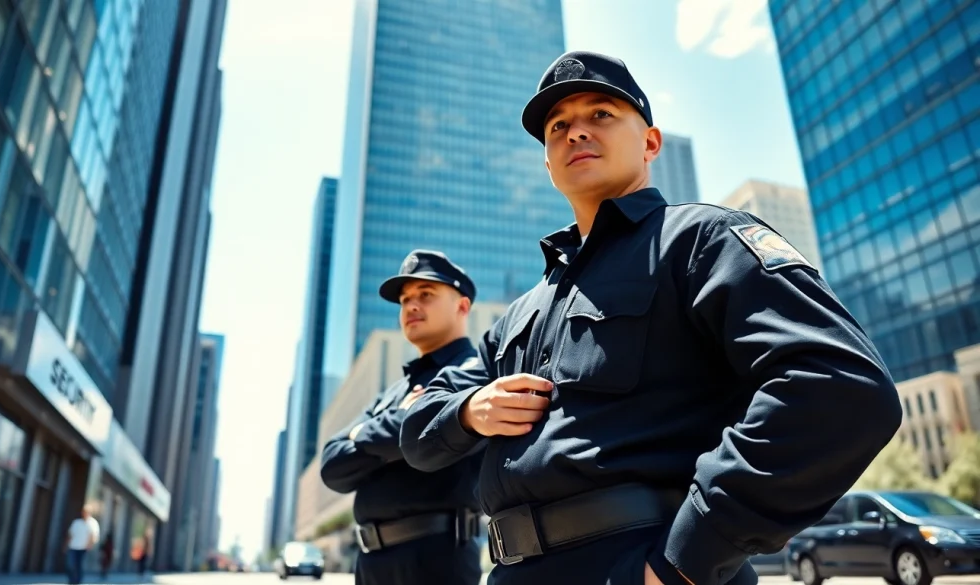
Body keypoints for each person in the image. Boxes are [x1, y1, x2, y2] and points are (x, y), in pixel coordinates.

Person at [399, 50, 903, 585]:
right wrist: (470, 410)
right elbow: (417, 433)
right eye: (558, 126)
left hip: (643, 564)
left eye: (601, 115)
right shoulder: (523, 312)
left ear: (650, 143)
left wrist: (687, 557)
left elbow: (840, 386)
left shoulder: (702, 242)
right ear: (547, 162)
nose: (575, 133)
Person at [320, 250, 485, 585]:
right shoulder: (396, 391)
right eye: (405, 298)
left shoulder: (473, 370)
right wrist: (394, 424)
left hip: (435, 558)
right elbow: (332, 466)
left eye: (426, 294)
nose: (411, 305)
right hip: (371, 563)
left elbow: (416, 428)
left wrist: (363, 435)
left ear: (462, 306)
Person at [65, 506, 100, 584]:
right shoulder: (76, 522)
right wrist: (66, 545)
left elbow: (94, 536)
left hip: (83, 548)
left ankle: (77, 582)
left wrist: (90, 545)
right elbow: (70, 535)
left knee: (79, 566)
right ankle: (71, 581)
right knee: (70, 565)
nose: (84, 513)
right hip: (73, 547)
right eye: (83, 512)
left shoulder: (93, 523)